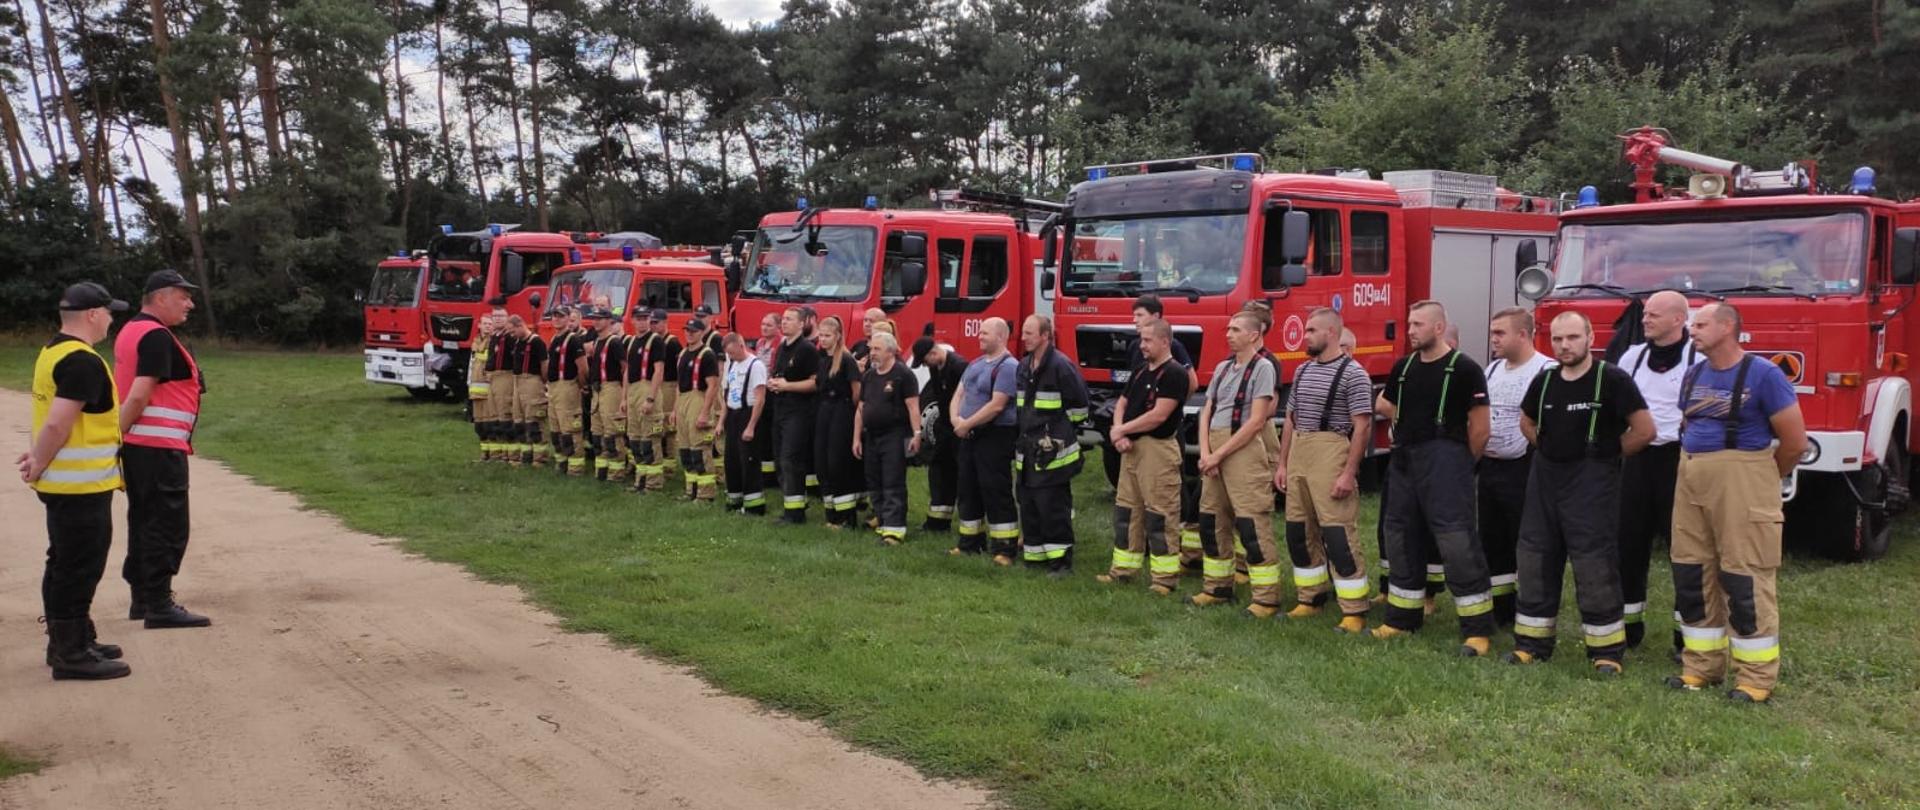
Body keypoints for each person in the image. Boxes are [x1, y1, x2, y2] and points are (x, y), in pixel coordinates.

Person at [1668, 303, 1806, 703]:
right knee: (1691, 571)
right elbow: (1688, 423)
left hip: (1743, 478)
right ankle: (1701, 668)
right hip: (1691, 475)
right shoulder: (1694, 372)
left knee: (1744, 575)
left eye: (1702, 324)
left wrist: (1761, 479)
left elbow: (1794, 442)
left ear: (1728, 327)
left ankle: (1755, 678)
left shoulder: (1764, 375)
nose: (1692, 330)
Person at [1510, 312, 1654, 673]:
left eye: (1573, 337)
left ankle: (1606, 653)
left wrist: (1607, 454)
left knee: (1594, 564)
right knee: (1535, 559)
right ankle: (1532, 644)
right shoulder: (1544, 381)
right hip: (1545, 480)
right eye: (1558, 339)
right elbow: (1526, 420)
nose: (1564, 346)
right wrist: (1542, 443)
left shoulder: (1613, 380)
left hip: (1592, 484)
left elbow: (1644, 430)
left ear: (1590, 336)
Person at [21, 282, 132, 679]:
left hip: (66, 484)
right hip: (80, 486)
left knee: (65, 562)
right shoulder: (82, 361)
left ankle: (73, 638)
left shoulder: (52, 350)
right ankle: (70, 652)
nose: (111, 319)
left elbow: (50, 417)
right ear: (92, 315)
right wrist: (38, 460)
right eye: (108, 312)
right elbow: (58, 421)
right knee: (79, 566)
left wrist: (38, 458)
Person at [1373, 300, 1497, 655]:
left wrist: (1459, 465)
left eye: (1418, 325)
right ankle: (1401, 618)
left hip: (1447, 462)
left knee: (1456, 541)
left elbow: (1481, 428)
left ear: (1439, 328)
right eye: (1410, 323)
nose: (1410, 330)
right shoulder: (1404, 367)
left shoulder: (1465, 369)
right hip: (1405, 462)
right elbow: (1391, 406)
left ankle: (1476, 629)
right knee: (1399, 535)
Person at [114, 269, 212, 629]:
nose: (190, 304)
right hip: (157, 447)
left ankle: (142, 598)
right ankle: (158, 603)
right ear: (159, 297)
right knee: (166, 525)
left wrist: (120, 440)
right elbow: (140, 393)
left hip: (142, 446)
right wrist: (115, 437)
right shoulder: (156, 336)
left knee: (142, 519)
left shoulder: (131, 331)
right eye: (183, 296)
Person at [1273, 307, 1375, 631]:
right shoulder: (1302, 371)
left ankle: (1354, 609)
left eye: (1311, 331)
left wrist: (1348, 473)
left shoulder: (1353, 373)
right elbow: (1290, 421)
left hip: (1331, 451)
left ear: (1331, 333)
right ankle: (1310, 598)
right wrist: (1283, 463)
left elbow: (1362, 428)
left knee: (1338, 533)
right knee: (1298, 531)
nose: (1305, 337)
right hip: (1300, 451)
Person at [1616, 290, 1702, 653]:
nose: (1645, 319)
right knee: (1627, 546)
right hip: (1636, 459)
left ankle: (1687, 636)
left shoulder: (1698, 358)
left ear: (1678, 320)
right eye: (1646, 313)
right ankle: (1627, 628)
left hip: (1678, 460)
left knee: (1682, 549)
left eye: (1653, 314)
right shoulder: (1633, 357)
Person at [1192, 311, 1281, 614]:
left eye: (1236, 329)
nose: (1228, 334)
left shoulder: (1264, 368)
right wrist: (1205, 453)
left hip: (1241, 448)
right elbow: (1207, 411)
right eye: (1228, 328)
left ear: (1254, 335)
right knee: (1211, 519)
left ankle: (1266, 598)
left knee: (1252, 523)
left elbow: (1257, 421)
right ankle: (1217, 587)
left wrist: (1218, 455)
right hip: (1214, 447)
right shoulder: (1222, 368)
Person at [1096, 317, 1188, 594]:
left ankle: (1164, 579)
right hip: (1132, 448)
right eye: (1141, 339)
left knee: (1160, 514)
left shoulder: (1174, 374)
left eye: (1147, 340)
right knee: (1126, 510)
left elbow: (1158, 416)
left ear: (1164, 341)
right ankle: (1123, 570)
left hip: (1157, 450)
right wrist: (1119, 432)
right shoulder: (1140, 370)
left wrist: (1122, 430)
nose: (1141, 345)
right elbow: (1122, 402)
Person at [1481, 307, 1553, 626]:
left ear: (1523, 335)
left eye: (1500, 333)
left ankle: (1531, 605)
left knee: (1526, 539)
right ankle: (1501, 608)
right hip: (1490, 467)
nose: (1493, 338)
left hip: (1526, 467)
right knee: (1493, 539)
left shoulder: (1545, 370)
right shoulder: (1493, 370)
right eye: (1492, 332)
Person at [1014, 315, 1088, 575]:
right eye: (1023, 333)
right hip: (1027, 446)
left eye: (1029, 333)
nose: (1024, 338)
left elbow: (1080, 407)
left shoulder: (1061, 366)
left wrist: (1059, 432)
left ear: (1045, 335)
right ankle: (1035, 556)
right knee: (1029, 501)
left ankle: (1061, 562)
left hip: (1053, 449)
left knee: (1052, 505)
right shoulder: (1024, 366)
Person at [949, 317, 1021, 563]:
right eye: (980, 332)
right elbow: (959, 393)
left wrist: (966, 424)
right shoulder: (976, 364)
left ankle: (1004, 548)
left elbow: (997, 405)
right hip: (967, 434)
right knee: (967, 487)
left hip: (995, 436)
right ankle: (970, 542)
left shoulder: (1008, 366)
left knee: (995, 489)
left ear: (1001, 337)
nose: (979, 336)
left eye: (985, 333)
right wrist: (956, 420)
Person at [855, 332, 923, 545]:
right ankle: (883, 520)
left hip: (895, 434)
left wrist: (917, 434)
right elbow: (861, 408)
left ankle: (895, 530)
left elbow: (913, 406)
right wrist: (856, 438)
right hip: (871, 435)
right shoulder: (868, 376)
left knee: (893, 480)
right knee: (874, 479)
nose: (872, 353)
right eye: (871, 349)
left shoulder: (903, 375)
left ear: (891, 351)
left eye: (877, 349)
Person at [768, 306, 821, 523]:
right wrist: (774, 383)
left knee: (791, 459)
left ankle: (795, 513)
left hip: (798, 412)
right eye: (784, 319)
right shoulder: (782, 347)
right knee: (780, 459)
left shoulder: (807, 349)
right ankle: (793, 502)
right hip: (780, 409)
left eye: (790, 319)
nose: (785, 322)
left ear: (802, 324)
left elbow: (815, 383)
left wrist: (787, 386)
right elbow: (779, 375)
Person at [812, 316, 863, 527]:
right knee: (822, 462)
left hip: (841, 411)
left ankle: (846, 516)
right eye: (821, 335)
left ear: (837, 336)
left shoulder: (847, 360)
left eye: (827, 336)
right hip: (824, 410)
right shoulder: (822, 358)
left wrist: (847, 414)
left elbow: (856, 392)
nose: (823, 340)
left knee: (837, 462)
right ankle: (831, 514)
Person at [912, 336, 965, 532]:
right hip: (944, 428)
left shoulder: (959, 367)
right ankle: (937, 521)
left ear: (933, 353)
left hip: (959, 428)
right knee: (939, 472)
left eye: (925, 361)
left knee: (962, 475)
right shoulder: (936, 367)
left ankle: (970, 524)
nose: (926, 366)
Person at [670, 318, 723, 502]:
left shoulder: (707, 354)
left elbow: (713, 386)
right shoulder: (684, 353)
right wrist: (675, 409)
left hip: (698, 399)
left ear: (701, 332)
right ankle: (690, 490)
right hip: (683, 400)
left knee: (700, 449)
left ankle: (706, 493)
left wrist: (704, 412)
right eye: (687, 330)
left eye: (693, 331)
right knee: (685, 449)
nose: (689, 333)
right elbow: (679, 385)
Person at [721, 333, 769, 514]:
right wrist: (721, 422)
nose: (731, 357)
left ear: (742, 345)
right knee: (731, 459)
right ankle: (734, 499)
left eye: (733, 353)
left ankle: (754, 505)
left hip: (748, 414)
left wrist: (751, 426)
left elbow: (760, 399)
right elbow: (728, 393)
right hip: (733, 414)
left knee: (748, 460)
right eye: (729, 354)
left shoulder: (756, 366)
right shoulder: (732, 363)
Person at [545, 306, 589, 476]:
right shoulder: (555, 338)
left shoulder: (573, 340)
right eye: (554, 316)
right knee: (556, 429)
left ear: (567, 319)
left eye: (561, 316)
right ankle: (561, 462)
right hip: (554, 388)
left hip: (568, 386)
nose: (556, 319)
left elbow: (583, 368)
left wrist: (579, 385)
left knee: (570, 429)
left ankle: (575, 467)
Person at [585, 309, 627, 481]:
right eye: (594, 319)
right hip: (597, 389)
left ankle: (616, 472)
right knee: (597, 432)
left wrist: (623, 394)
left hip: (610, 388)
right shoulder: (597, 341)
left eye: (600, 319)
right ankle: (601, 471)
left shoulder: (614, 342)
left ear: (609, 321)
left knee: (612, 432)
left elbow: (624, 367)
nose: (596, 322)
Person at [507, 315, 549, 467]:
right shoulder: (518, 342)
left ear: (520, 325)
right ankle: (526, 454)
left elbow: (544, 364)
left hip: (532, 381)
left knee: (534, 422)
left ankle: (540, 457)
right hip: (517, 382)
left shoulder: (536, 342)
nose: (512, 335)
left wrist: (541, 382)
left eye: (513, 332)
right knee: (519, 421)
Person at [483, 301, 518, 463]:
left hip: (506, 376)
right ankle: (497, 453)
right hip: (493, 377)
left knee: (505, 415)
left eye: (501, 316)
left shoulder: (510, 337)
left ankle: (510, 454)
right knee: (493, 416)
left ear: (507, 318)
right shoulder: (493, 337)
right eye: (495, 316)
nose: (497, 319)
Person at [467, 312, 498, 462]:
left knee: (490, 424)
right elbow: (472, 366)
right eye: (485, 323)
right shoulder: (475, 341)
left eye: (490, 324)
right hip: (475, 391)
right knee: (479, 425)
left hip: (489, 391)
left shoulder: (494, 342)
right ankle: (484, 453)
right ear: (479, 325)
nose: (487, 326)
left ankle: (494, 455)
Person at [754, 314, 781, 482]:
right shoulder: (759, 343)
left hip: (773, 391)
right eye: (763, 324)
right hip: (761, 389)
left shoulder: (780, 344)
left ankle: (774, 473)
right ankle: (765, 472)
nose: (764, 328)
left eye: (769, 325)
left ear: (778, 327)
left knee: (772, 431)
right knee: (762, 431)